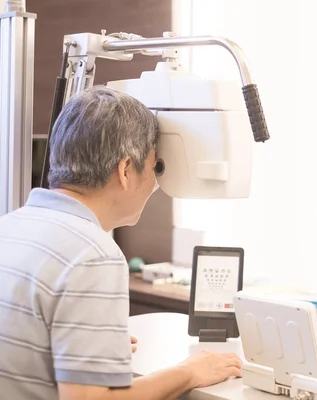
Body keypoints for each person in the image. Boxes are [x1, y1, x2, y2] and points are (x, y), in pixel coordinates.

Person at [0, 86, 242, 400]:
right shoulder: (92, 255)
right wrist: (190, 371)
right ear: (126, 170)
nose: (156, 184)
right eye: (155, 167)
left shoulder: (10, 226)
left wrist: (88, 344)